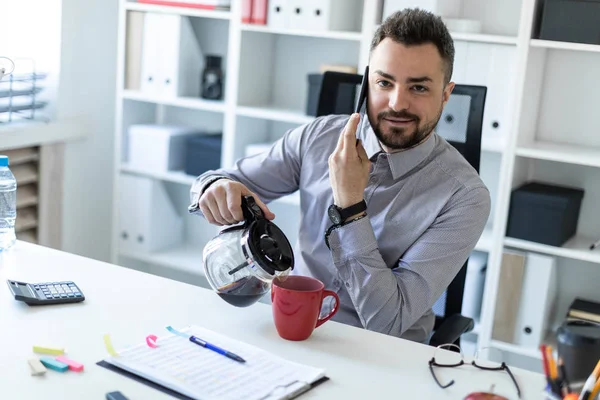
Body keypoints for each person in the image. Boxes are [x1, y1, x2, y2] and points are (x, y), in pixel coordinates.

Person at [189, 8, 491, 344]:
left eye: (418, 88)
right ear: (367, 83)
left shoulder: (464, 196)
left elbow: (387, 321)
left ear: (446, 94)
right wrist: (215, 188)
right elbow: (219, 178)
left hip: (382, 356)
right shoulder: (317, 138)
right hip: (291, 330)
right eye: (384, 82)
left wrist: (350, 208)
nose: (396, 103)